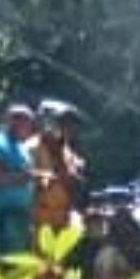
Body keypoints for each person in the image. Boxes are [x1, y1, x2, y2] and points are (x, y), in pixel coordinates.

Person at [0, 102, 39, 279]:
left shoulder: (21, 147)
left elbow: (26, 174)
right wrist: (22, 178)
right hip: (5, 213)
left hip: (22, 213)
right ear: (12, 122)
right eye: (25, 124)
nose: (29, 129)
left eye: (30, 124)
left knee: (22, 259)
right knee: (9, 258)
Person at [30, 103, 88, 260]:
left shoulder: (66, 151)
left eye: (72, 125)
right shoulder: (32, 148)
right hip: (38, 221)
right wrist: (44, 177)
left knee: (58, 267)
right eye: (65, 123)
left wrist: (75, 178)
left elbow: (74, 180)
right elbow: (21, 177)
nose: (69, 129)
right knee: (38, 265)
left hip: (62, 219)